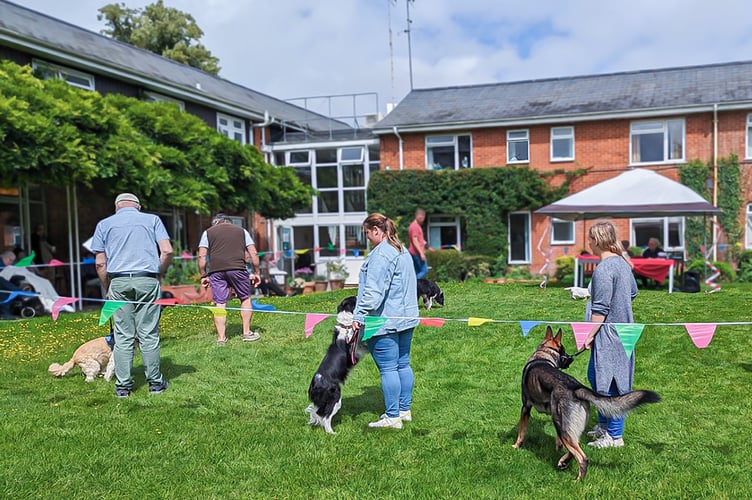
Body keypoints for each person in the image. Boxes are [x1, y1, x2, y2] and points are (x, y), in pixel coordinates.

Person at [91, 193, 173, 398]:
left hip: (118, 281)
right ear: (139, 206)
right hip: (147, 279)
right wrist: (157, 272)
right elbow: (167, 251)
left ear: (116, 206)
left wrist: (107, 286)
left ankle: (123, 386)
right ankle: (155, 383)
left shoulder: (104, 224)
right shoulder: (152, 220)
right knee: (148, 333)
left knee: (122, 334)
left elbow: (100, 263)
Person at [352, 213, 419, 429]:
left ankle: (392, 417)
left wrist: (359, 316)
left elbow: (373, 294)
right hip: (405, 317)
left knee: (389, 368)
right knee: (402, 363)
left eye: (368, 234)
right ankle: (403, 409)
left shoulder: (381, 254)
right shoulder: (402, 250)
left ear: (376, 231)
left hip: (384, 320)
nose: (368, 238)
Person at [583, 221, 639, 448]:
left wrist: (589, 334)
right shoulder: (623, 265)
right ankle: (604, 425)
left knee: (614, 385)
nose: (588, 243)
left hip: (612, 334)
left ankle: (615, 436)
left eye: (589, 239)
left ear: (596, 241)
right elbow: (633, 292)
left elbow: (601, 309)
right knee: (596, 377)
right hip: (623, 332)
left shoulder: (605, 269)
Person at [197, 213, 261, 345]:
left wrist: (203, 275)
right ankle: (246, 333)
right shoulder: (242, 231)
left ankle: (221, 339)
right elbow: (253, 252)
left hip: (216, 272)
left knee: (220, 303)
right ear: (229, 222)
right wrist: (257, 272)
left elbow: (201, 257)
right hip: (238, 269)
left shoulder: (207, 233)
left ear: (216, 222)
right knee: (245, 298)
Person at [408, 208, 429, 279]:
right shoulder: (414, 226)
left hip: (415, 252)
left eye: (423, 216)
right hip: (416, 253)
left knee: (417, 271)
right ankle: (414, 284)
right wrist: (421, 253)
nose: (422, 218)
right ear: (417, 215)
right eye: (421, 216)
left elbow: (420, 240)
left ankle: (417, 288)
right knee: (424, 270)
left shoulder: (416, 226)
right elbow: (415, 240)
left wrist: (427, 246)